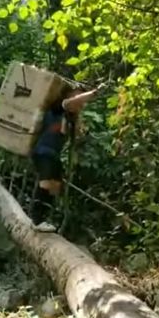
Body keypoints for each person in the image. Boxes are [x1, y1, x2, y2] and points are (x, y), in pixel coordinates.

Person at [30, 82, 104, 232]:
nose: (79, 100)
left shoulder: (69, 118)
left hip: (53, 155)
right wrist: (94, 93)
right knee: (46, 183)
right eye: (76, 95)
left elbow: (76, 136)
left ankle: (43, 218)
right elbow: (71, 103)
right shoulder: (57, 108)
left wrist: (78, 123)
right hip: (43, 151)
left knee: (56, 187)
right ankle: (36, 220)